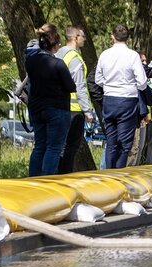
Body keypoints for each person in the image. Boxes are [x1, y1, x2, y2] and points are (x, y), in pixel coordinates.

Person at [94, 24, 148, 169]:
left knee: (111, 142)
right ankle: (118, 173)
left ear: (112, 36)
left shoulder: (105, 54)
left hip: (109, 100)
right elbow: (142, 82)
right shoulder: (132, 56)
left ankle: (108, 173)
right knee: (124, 143)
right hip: (127, 101)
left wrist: (109, 84)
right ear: (128, 37)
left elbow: (98, 79)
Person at [25, 24, 76, 176]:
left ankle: (33, 179)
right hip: (57, 109)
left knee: (39, 146)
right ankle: (47, 180)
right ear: (54, 46)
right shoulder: (58, 64)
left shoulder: (31, 62)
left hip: (37, 108)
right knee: (54, 148)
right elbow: (71, 86)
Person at [56, 26, 95, 174]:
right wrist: (88, 110)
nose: (84, 39)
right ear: (75, 37)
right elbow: (80, 86)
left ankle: (55, 175)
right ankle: (64, 176)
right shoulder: (75, 59)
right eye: (83, 37)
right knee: (70, 146)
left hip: (58, 106)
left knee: (58, 145)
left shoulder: (58, 54)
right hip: (74, 110)